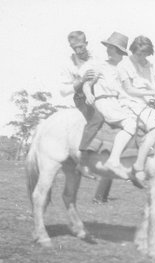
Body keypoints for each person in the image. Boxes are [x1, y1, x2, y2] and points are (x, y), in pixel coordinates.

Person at [117, 35, 155, 187]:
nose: (142, 57)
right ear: (133, 50)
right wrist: (153, 93)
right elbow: (129, 90)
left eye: (145, 54)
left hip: (149, 104)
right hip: (130, 102)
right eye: (139, 53)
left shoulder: (150, 66)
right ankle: (138, 166)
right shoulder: (124, 65)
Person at [82, 32, 137, 180]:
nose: (107, 50)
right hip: (104, 102)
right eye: (108, 47)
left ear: (118, 51)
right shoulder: (100, 66)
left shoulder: (125, 69)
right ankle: (114, 160)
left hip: (119, 103)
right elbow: (87, 84)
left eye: (111, 48)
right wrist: (88, 94)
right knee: (130, 123)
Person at [60, 31, 104, 179]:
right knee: (96, 119)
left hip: (100, 93)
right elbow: (63, 91)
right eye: (75, 48)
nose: (79, 50)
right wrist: (81, 80)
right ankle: (83, 162)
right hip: (81, 97)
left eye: (81, 46)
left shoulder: (96, 58)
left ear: (86, 43)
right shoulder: (68, 63)